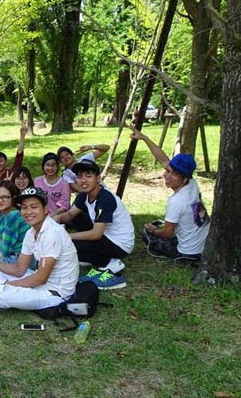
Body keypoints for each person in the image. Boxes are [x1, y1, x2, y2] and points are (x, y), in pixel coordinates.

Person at [0, 187, 79, 315]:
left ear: (46, 210)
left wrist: (9, 285)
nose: (28, 212)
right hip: (39, 282)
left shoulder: (52, 234)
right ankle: (5, 292)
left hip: (55, 292)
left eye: (34, 207)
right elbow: (19, 269)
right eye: (24, 207)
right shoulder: (31, 232)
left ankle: (1, 293)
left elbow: (40, 279)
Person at [129, 124, 210, 260]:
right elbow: (163, 159)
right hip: (204, 245)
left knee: (146, 232)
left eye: (174, 174)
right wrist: (144, 138)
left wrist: (153, 230)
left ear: (183, 179)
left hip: (188, 253)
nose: (167, 175)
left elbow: (167, 233)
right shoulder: (192, 183)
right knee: (161, 223)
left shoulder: (176, 201)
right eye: (168, 171)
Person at [53, 159, 134, 290]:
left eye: (88, 176)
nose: (83, 180)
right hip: (105, 235)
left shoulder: (105, 198)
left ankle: (111, 263)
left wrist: (66, 236)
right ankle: (94, 256)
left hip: (120, 244)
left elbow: (96, 234)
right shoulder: (84, 195)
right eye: (79, 177)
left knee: (68, 245)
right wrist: (56, 218)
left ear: (98, 178)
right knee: (78, 218)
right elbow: (70, 215)